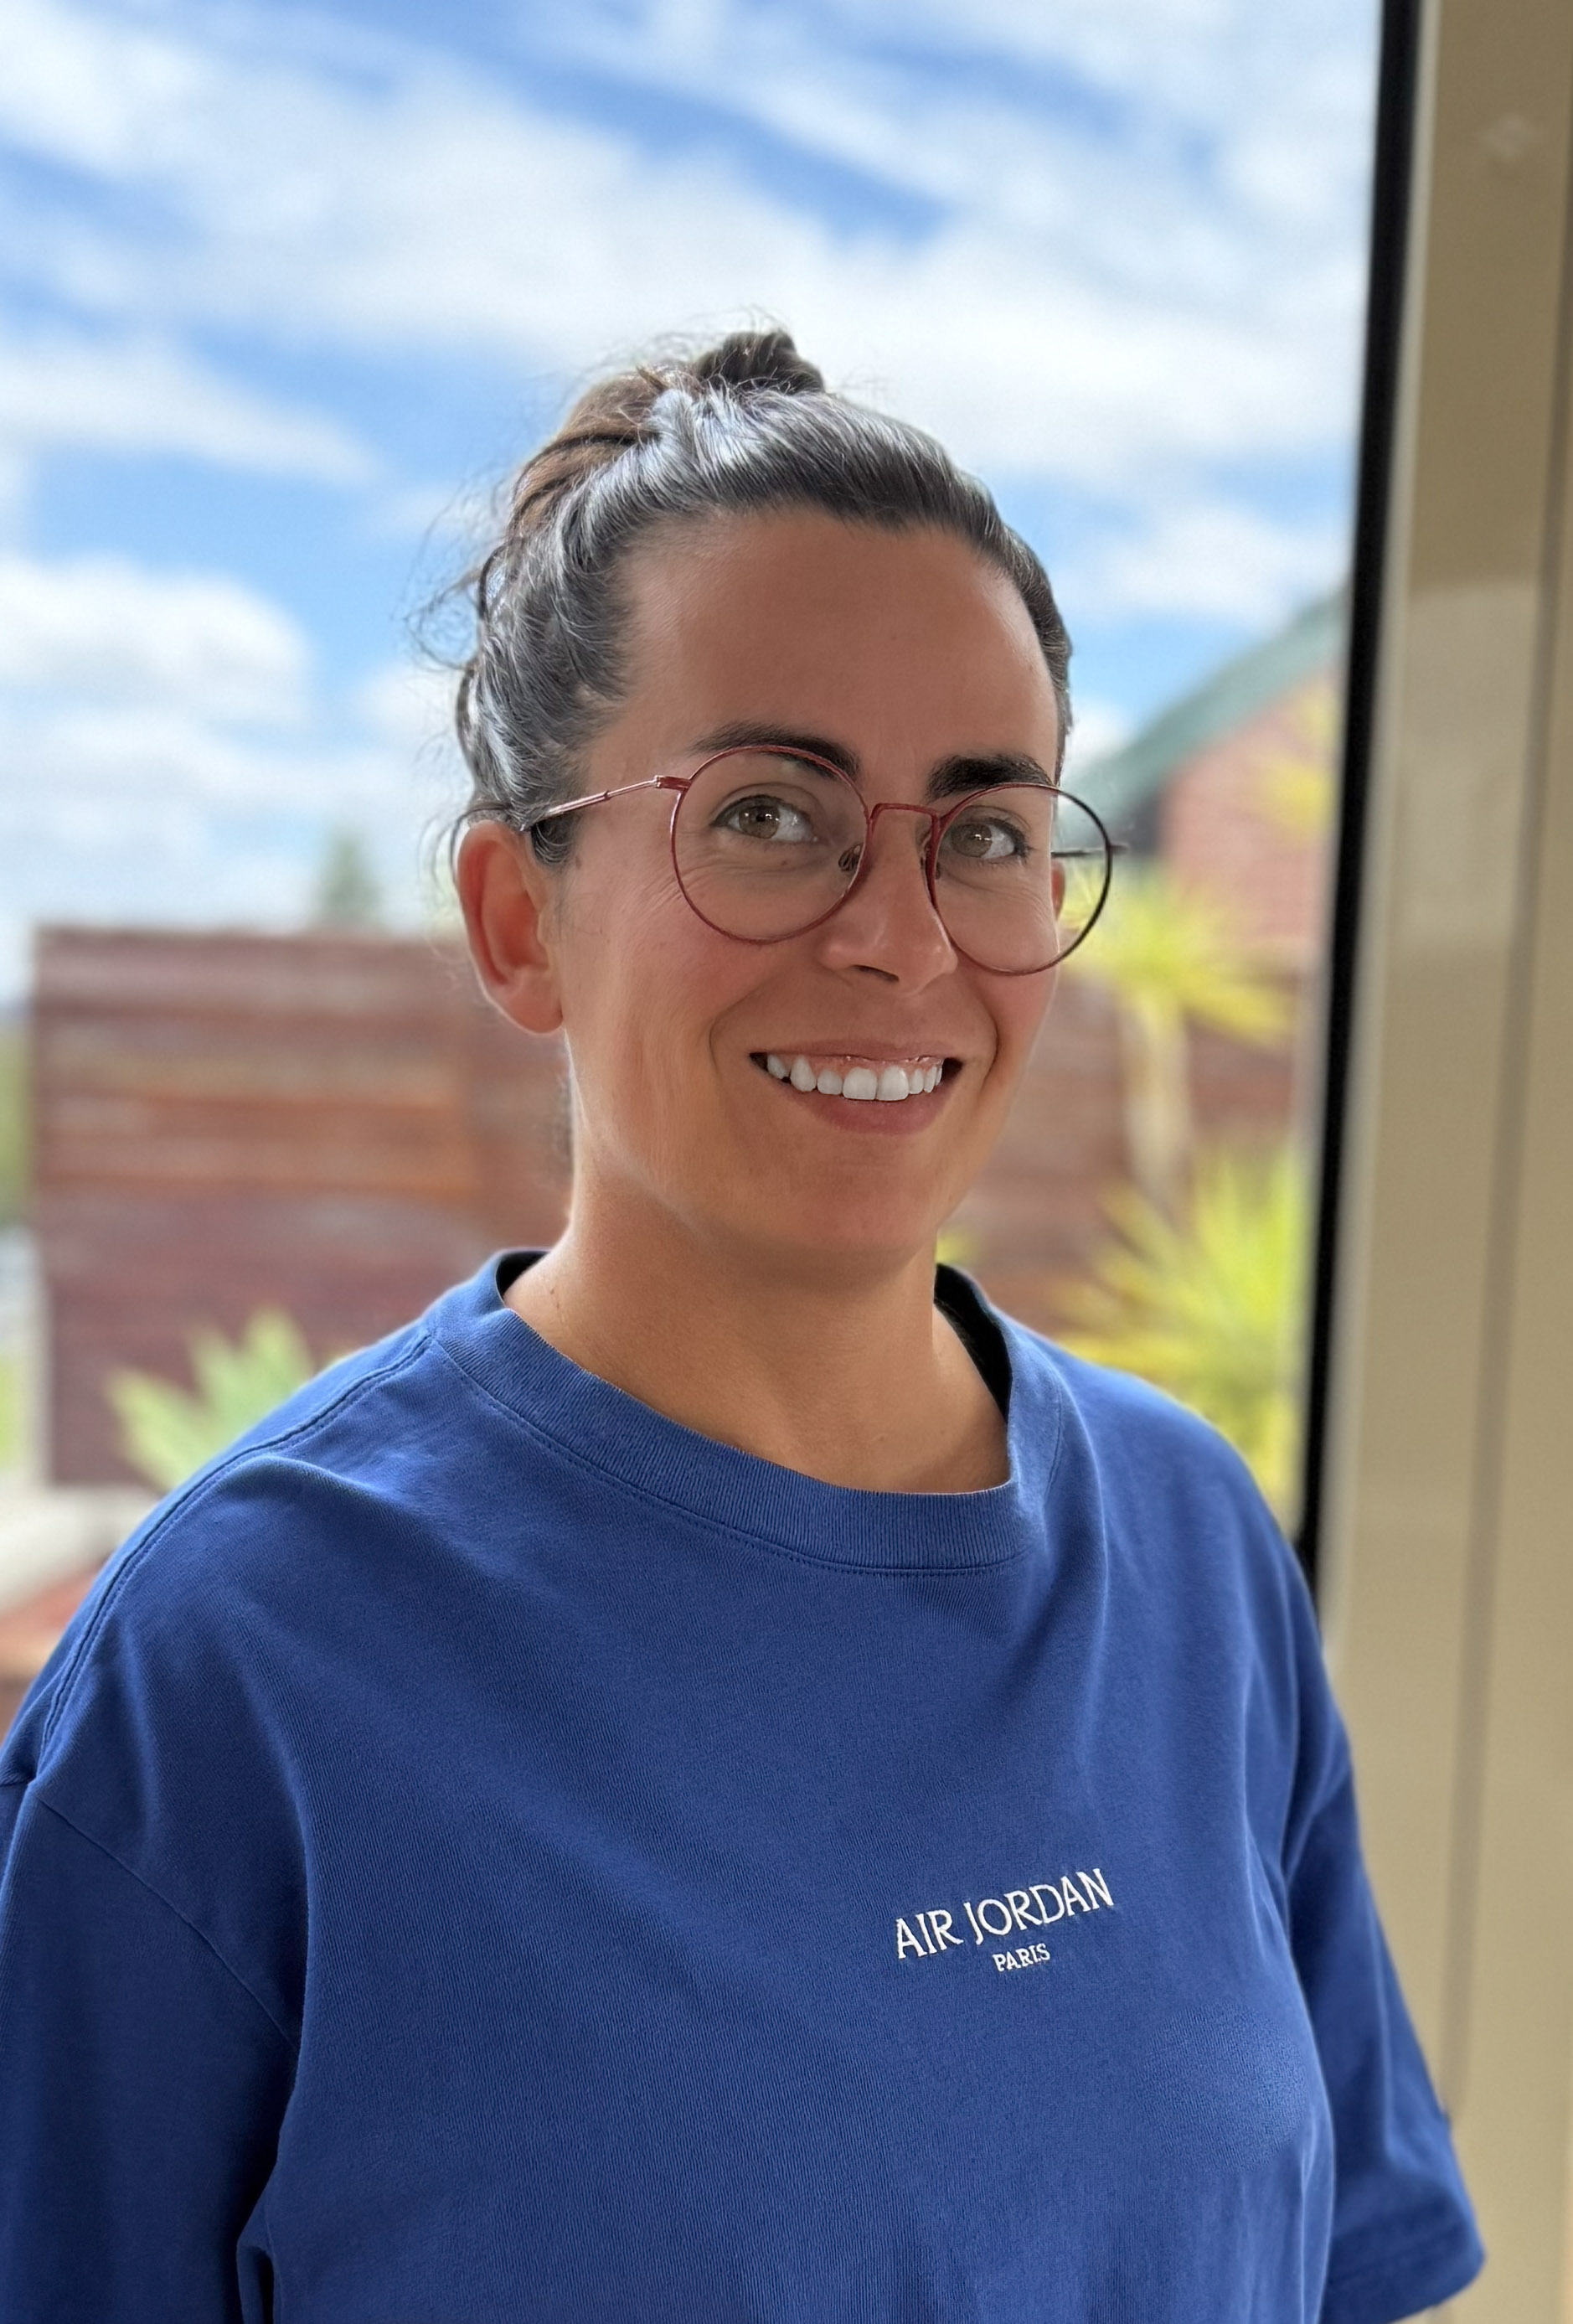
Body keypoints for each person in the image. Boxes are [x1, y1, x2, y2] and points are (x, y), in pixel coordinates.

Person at [0, 329, 1481, 2321]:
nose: (897, 932)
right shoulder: (241, 1670)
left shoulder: (1193, 1544)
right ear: (521, 917)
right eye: (772, 814)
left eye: (983, 828)